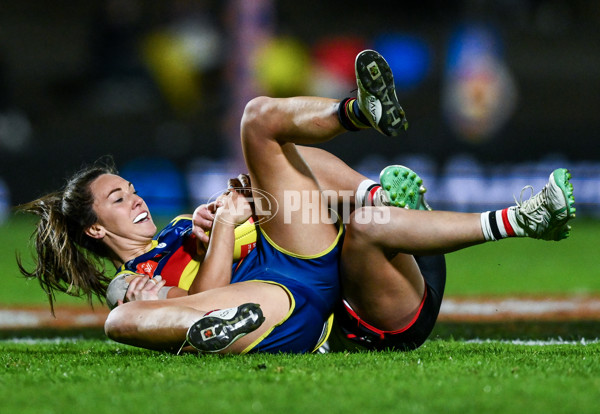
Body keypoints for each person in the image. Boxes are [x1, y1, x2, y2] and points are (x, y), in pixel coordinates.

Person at [17, 50, 575, 354]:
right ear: (95, 229)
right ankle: (520, 216)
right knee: (123, 321)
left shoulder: (179, 230)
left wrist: (227, 217)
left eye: (132, 189)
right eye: (119, 198)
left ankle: (359, 115)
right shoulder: (130, 283)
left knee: (259, 124)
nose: (137, 200)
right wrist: (227, 228)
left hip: (326, 272)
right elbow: (204, 294)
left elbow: (228, 254)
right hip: (346, 299)